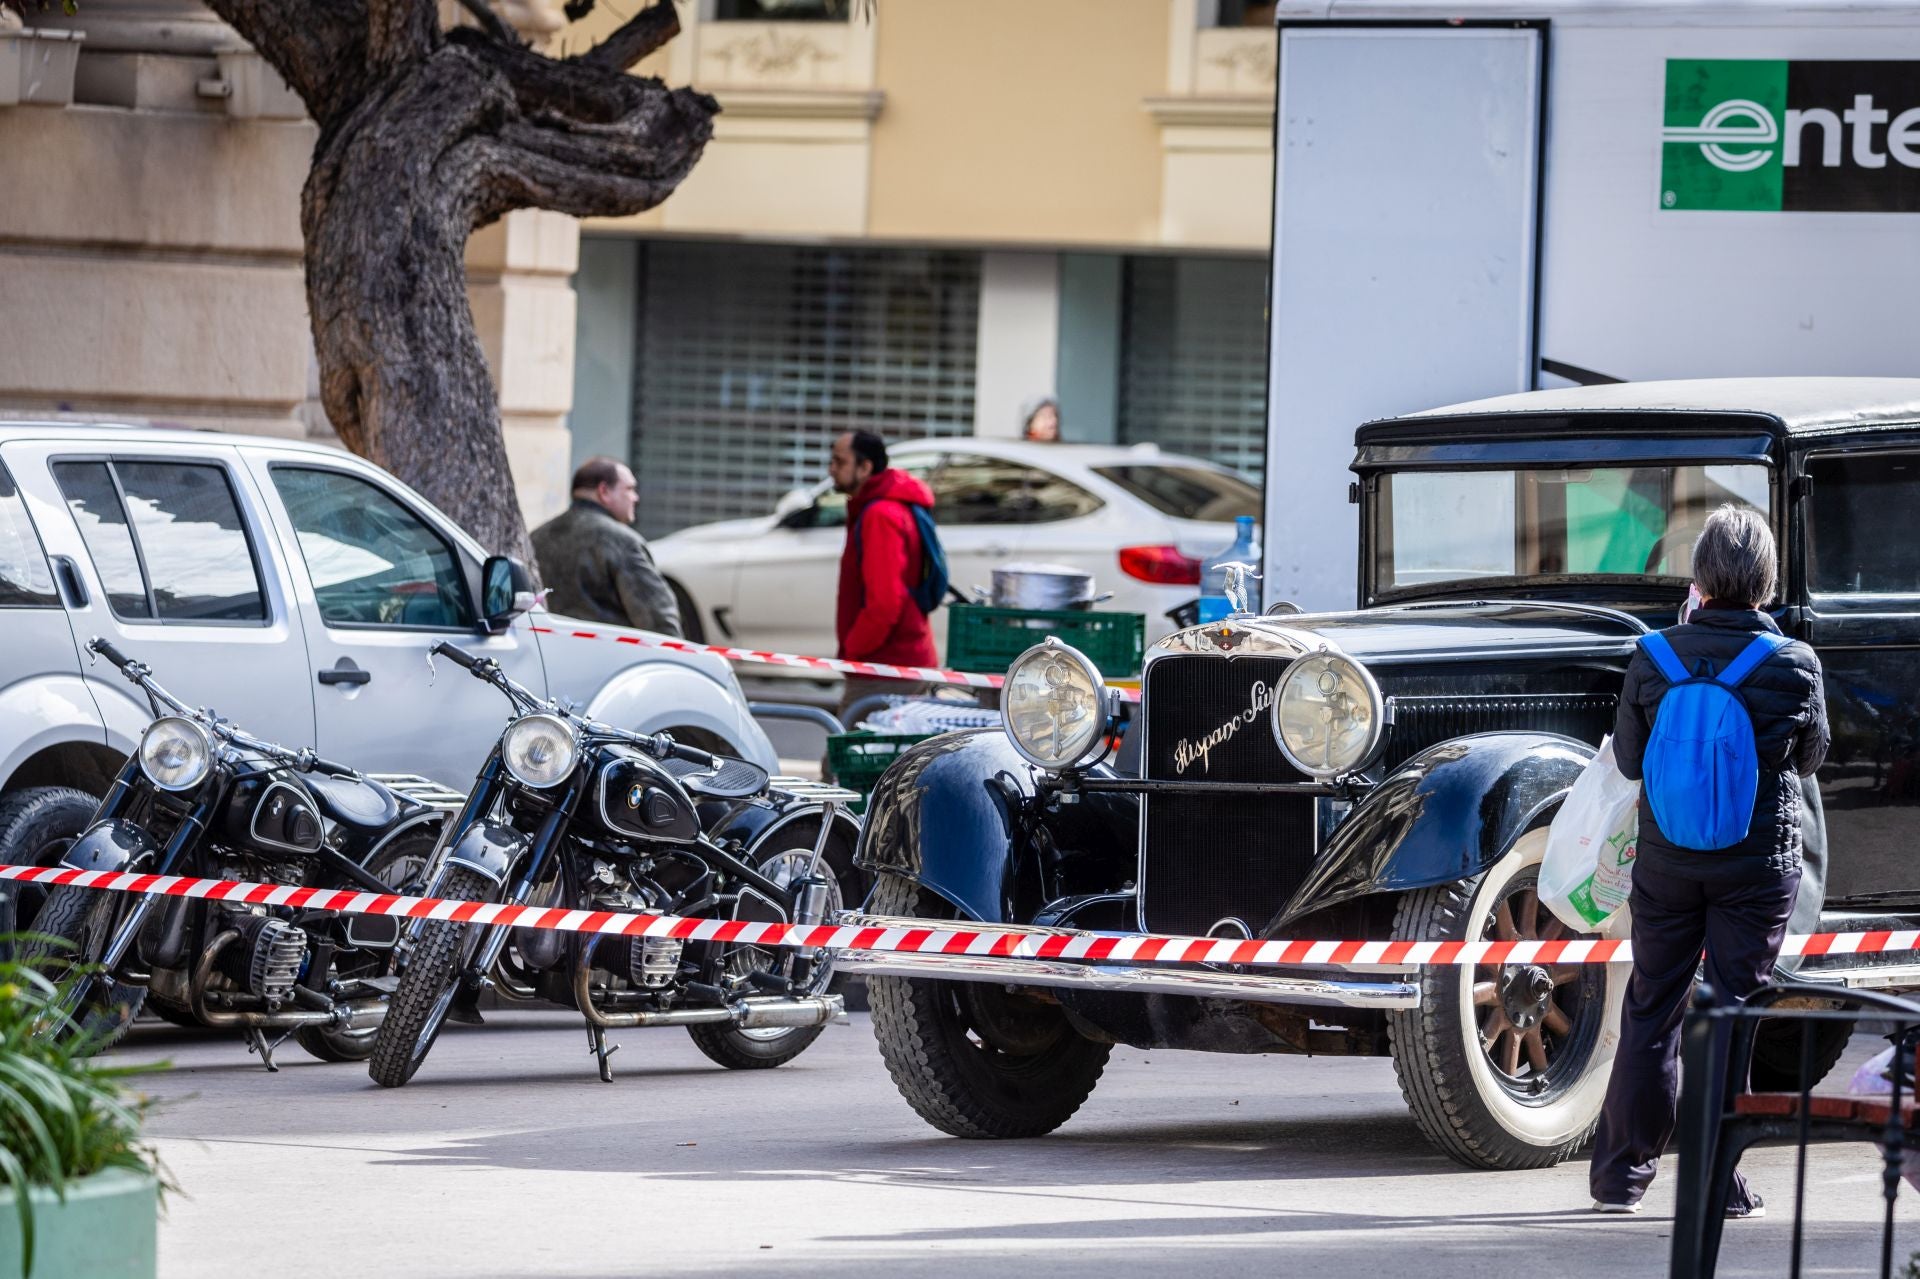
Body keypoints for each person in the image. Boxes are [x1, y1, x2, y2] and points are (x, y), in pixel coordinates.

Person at [1589, 503, 1829, 1219]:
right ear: (1765, 579)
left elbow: (1629, 759)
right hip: (1754, 869)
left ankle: (1618, 1178)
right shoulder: (1792, 662)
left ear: (1699, 577)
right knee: (1730, 1012)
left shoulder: (1653, 655)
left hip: (1666, 862)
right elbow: (1811, 758)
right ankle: (1715, 1182)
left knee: (1651, 1008)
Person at [831, 430, 935, 725]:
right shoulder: (884, 506)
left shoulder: (881, 515)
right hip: (895, 660)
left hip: (884, 665)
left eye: (840, 462)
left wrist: (854, 649)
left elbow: (885, 603)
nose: (831, 469)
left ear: (865, 467)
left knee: (841, 764)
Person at [530, 456, 682, 636]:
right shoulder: (622, 542)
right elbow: (658, 620)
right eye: (630, 489)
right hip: (612, 659)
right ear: (604, 491)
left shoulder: (536, 537)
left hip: (546, 655)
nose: (635, 497)